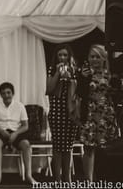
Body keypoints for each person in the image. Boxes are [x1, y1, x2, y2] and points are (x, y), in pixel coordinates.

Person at [77, 44, 117, 182]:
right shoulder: (85, 74)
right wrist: (82, 78)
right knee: (88, 147)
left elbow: (114, 94)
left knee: (103, 147)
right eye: (92, 56)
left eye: (97, 57)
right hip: (90, 114)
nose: (94, 59)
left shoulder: (109, 74)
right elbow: (80, 94)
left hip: (105, 114)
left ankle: (101, 178)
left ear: (103, 59)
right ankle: (89, 181)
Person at [0, 82, 36, 185]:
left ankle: (28, 175)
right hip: (1, 131)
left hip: (17, 131)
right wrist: (1, 131)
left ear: (13, 93)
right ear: (0, 94)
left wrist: (15, 134)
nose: (6, 95)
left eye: (8, 92)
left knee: (26, 145)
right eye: (3, 93)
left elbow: (25, 126)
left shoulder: (20, 106)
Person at [45, 44, 79, 182]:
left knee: (68, 145)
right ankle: (57, 178)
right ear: (57, 57)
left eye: (65, 55)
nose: (63, 57)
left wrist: (71, 76)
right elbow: (49, 89)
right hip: (56, 110)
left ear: (69, 56)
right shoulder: (52, 69)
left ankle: (67, 177)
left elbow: (78, 90)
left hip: (70, 110)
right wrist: (58, 73)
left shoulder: (75, 70)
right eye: (60, 55)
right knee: (58, 146)